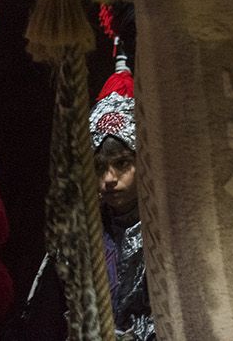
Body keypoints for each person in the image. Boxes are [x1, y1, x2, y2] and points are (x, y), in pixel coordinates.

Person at [8, 51, 155, 341]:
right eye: (99, 168)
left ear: (144, 162)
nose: (109, 179)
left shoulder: (167, 237)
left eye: (122, 164)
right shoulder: (76, 237)